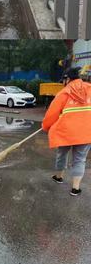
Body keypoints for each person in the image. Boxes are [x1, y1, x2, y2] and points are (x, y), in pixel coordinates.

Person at [42, 67, 91, 196]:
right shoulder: (90, 88)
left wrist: (46, 127)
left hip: (66, 133)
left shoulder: (64, 92)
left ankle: (59, 177)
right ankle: (75, 188)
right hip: (86, 133)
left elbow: (51, 114)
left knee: (62, 154)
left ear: (67, 79)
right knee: (80, 159)